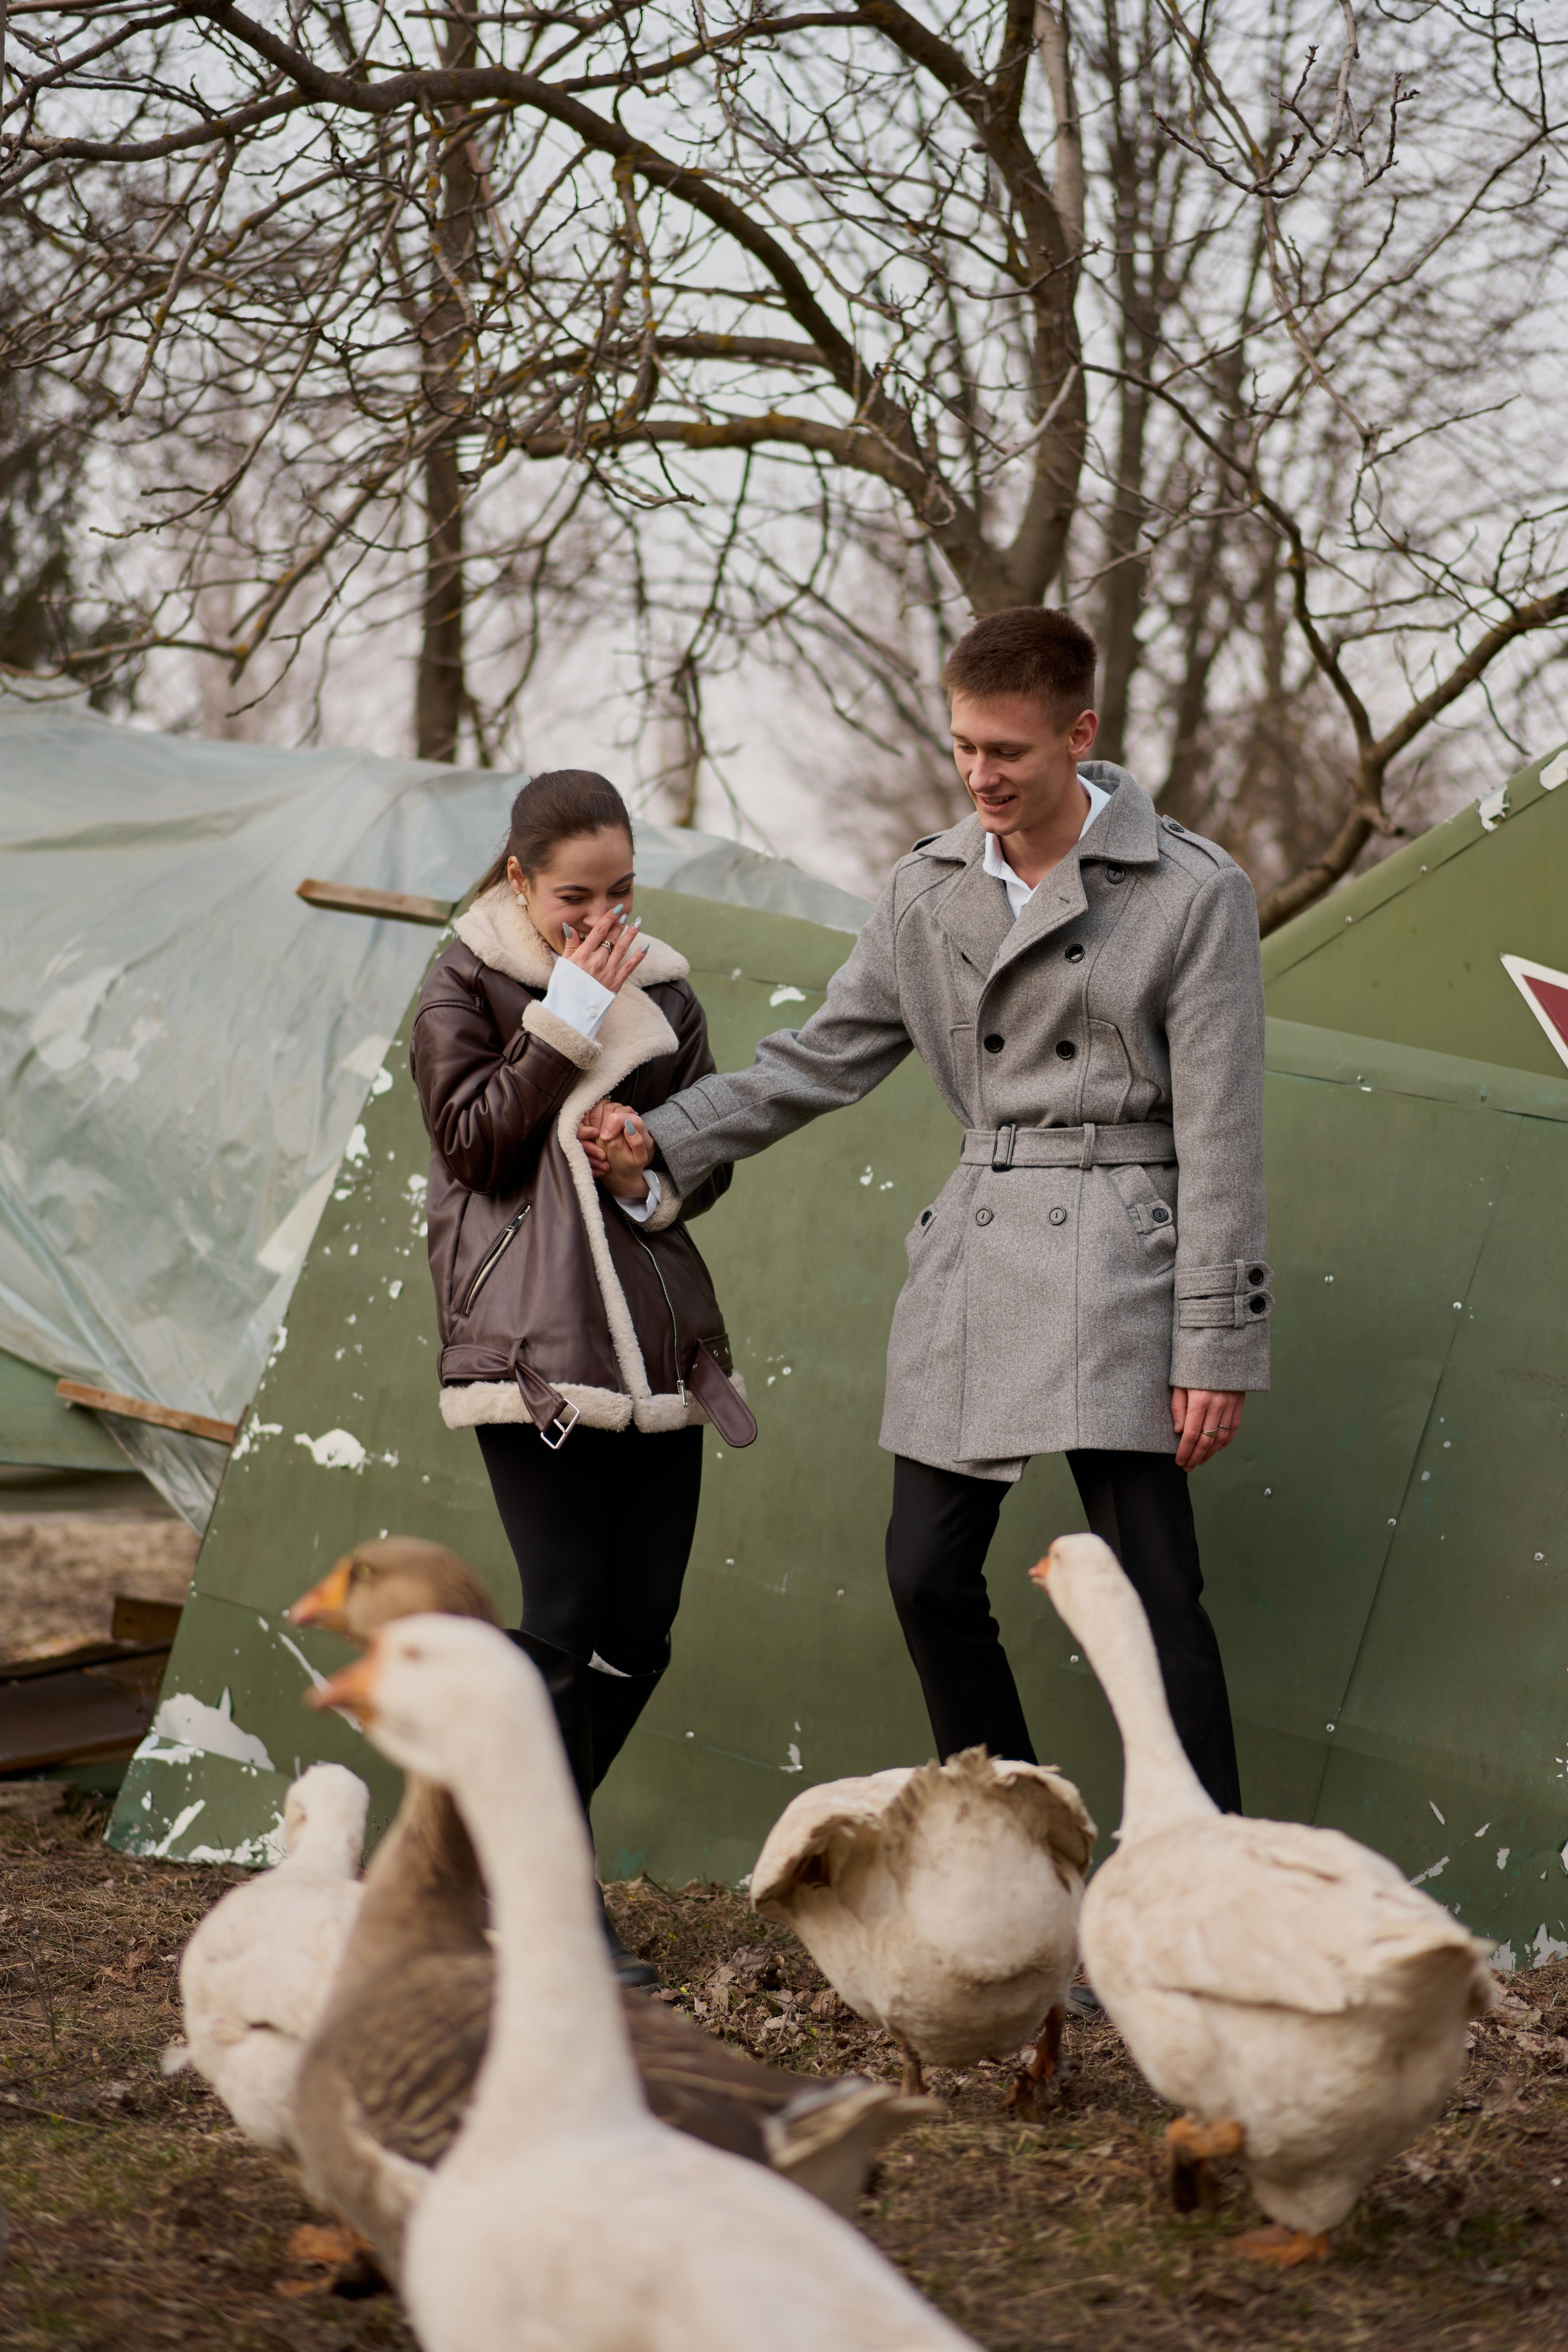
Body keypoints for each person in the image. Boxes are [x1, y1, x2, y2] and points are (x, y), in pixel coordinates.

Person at [586, 609, 1270, 1813]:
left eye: (1005, 750)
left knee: (1157, 1595)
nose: (978, 774)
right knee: (923, 1573)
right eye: (962, 745)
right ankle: (1020, 1844)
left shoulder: (1188, 892)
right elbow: (819, 1059)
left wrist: (1212, 1342)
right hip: (982, 1240)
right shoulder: (927, 889)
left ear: (1079, 734)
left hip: (1123, 1253)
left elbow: (1219, 1130)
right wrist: (666, 1134)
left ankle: (1211, 1889)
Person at [409, 770, 741, 1980]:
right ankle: (553, 1899)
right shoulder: (463, 976)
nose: (599, 918)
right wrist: (564, 1010)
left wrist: (644, 1163)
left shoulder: (669, 987)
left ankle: (499, 1854)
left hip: (656, 1346)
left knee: (639, 1633)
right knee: (559, 1618)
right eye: (571, 898)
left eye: (619, 893)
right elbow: (473, 1145)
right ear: (518, 880)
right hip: (531, 1346)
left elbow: (707, 1158)